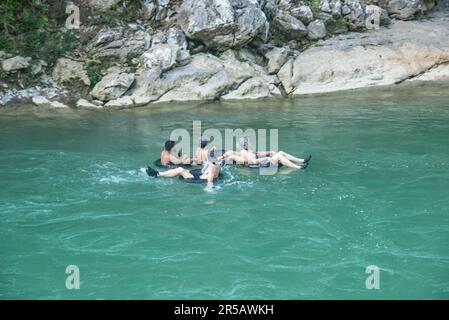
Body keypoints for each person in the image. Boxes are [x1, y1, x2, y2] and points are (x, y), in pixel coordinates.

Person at [147, 149, 222, 188]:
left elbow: (210, 181)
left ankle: (158, 174)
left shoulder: (212, 167)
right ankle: (158, 174)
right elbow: (203, 169)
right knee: (182, 169)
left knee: (180, 170)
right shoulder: (216, 163)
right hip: (200, 175)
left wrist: (208, 189)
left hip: (199, 178)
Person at [223, 137, 311, 169]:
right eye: (247, 142)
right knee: (279, 156)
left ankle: (302, 160)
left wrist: (269, 152)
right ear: (244, 144)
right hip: (260, 164)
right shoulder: (243, 152)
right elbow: (253, 161)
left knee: (280, 152)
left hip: (263, 161)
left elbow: (257, 153)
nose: (249, 143)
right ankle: (298, 167)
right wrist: (266, 158)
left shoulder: (248, 151)